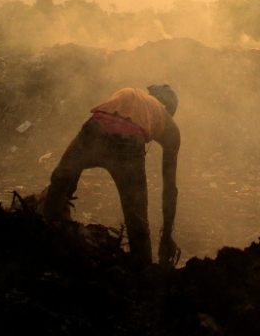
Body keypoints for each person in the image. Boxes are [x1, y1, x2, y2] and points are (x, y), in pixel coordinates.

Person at [43, 84, 181, 267]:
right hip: (129, 145)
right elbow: (170, 188)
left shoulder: (133, 94)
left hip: (95, 129)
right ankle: (143, 273)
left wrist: (68, 187)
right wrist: (167, 236)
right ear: (169, 109)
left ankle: (46, 238)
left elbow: (70, 168)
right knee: (136, 219)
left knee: (60, 180)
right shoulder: (167, 122)